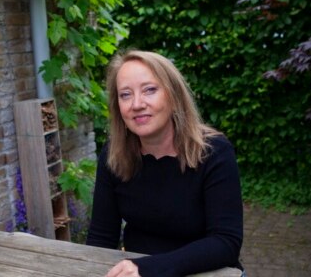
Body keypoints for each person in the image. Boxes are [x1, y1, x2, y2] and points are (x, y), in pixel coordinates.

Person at [86, 50, 243, 277]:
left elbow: (226, 242)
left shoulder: (214, 152)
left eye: (149, 90)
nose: (137, 104)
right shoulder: (114, 155)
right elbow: (101, 238)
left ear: (173, 95)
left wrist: (149, 268)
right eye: (125, 95)